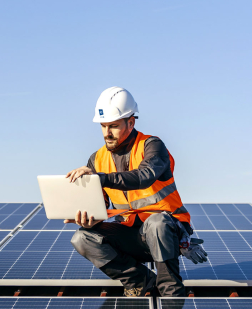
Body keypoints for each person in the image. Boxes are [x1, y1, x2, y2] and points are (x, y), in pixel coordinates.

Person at [65, 86, 208, 297]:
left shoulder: (152, 146)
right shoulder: (96, 159)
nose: (107, 133)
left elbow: (144, 176)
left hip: (167, 231)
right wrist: (90, 219)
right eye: (103, 126)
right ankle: (140, 281)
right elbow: (101, 207)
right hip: (133, 234)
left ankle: (170, 292)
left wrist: (100, 177)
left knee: (157, 223)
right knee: (82, 238)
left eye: (113, 126)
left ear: (131, 122)